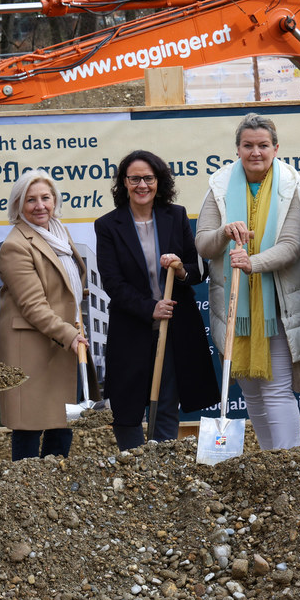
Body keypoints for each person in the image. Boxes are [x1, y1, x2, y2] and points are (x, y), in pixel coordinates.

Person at [195, 113, 300, 450]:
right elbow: (204, 243)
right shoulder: (219, 186)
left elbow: (291, 247)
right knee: (250, 389)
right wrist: (224, 233)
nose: (255, 152)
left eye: (263, 145)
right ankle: (269, 463)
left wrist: (252, 263)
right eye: (248, 145)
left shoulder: (292, 185)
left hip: (279, 304)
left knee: (276, 387)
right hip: (235, 305)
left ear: (275, 148)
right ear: (237, 149)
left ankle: (288, 464)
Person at [95, 151, 218, 450]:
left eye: (148, 178)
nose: (142, 185)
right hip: (132, 327)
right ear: (123, 183)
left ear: (158, 181)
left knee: (166, 404)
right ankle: (135, 467)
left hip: (175, 329)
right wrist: (151, 307)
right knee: (126, 408)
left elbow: (197, 271)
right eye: (134, 178)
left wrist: (179, 269)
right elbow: (113, 282)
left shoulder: (175, 216)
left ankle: (161, 469)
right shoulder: (108, 225)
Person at [0, 169, 90, 461]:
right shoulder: (15, 246)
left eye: (45, 198)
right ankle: (22, 496)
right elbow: (33, 306)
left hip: (61, 341)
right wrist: (71, 335)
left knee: (62, 424)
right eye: (30, 200)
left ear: (54, 200)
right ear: (18, 206)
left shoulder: (59, 233)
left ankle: (53, 492)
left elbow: (68, 285)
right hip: (32, 348)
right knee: (29, 427)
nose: (40, 206)